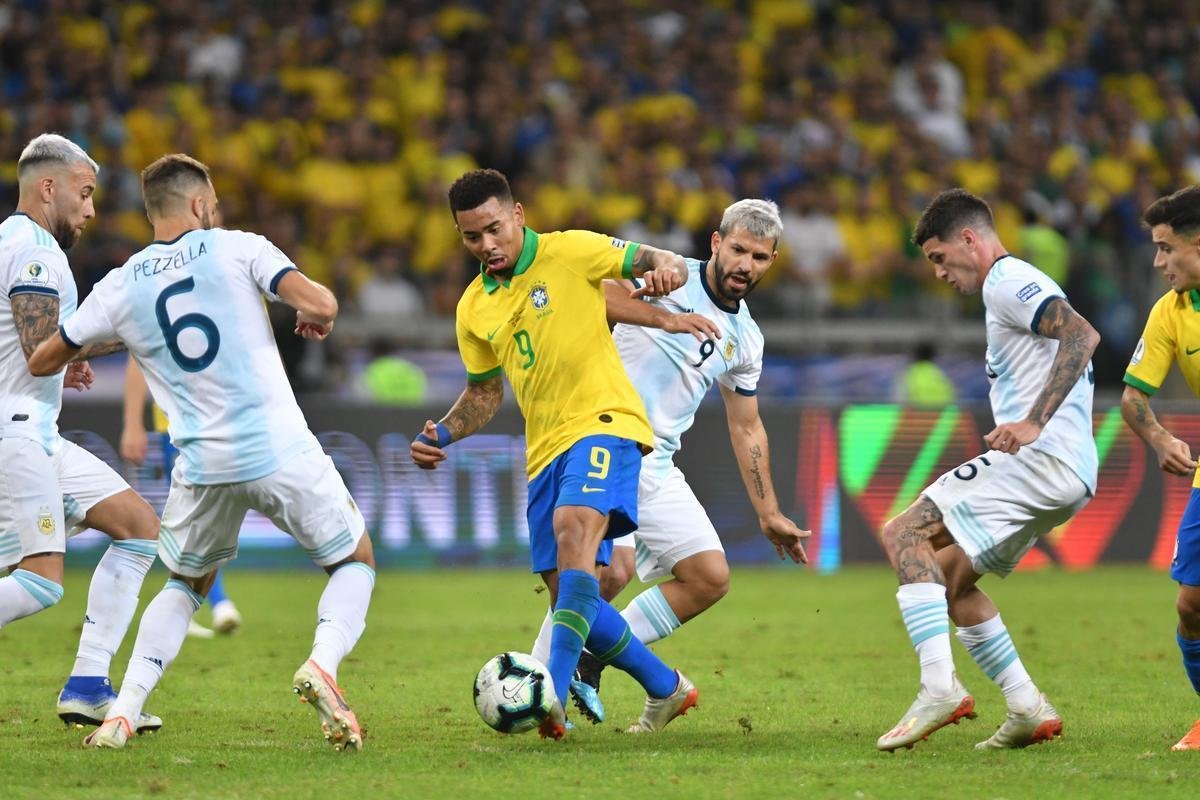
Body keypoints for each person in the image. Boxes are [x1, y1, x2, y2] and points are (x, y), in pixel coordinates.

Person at [30, 153, 375, 753]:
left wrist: (109, 344)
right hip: (277, 446)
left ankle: (124, 713)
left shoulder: (122, 282)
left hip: (201, 464)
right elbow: (320, 303)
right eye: (211, 203)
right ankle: (322, 662)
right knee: (354, 560)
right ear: (199, 203)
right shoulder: (240, 247)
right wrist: (312, 318)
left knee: (186, 583)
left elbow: (45, 357)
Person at [410, 168, 696, 739]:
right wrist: (442, 432)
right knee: (571, 592)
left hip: (605, 421)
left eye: (494, 229)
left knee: (574, 533)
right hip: (543, 452)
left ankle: (552, 694)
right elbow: (485, 392)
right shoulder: (473, 307)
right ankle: (667, 687)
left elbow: (653, 258)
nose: (486, 246)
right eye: (471, 237)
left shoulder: (572, 251)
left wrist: (667, 268)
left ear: (517, 215)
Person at [529, 199, 810, 721]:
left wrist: (769, 512)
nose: (746, 264)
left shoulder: (746, 339)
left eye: (761, 257)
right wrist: (653, 306)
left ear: (773, 261)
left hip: (656, 463)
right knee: (607, 575)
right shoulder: (669, 273)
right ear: (715, 243)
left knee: (709, 577)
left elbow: (746, 424)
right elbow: (589, 297)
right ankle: (538, 684)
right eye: (739, 249)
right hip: (604, 437)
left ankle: (591, 657)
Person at [876, 188, 1099, 752]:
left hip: (1040, 459)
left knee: (903, 533)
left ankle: (939, 689)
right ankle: (1027, 707)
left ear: (968, 239)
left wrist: (1033, 422)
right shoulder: (1007, 287)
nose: (938, 272)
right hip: (1065, 472)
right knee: (951, 582)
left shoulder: (1007, 281)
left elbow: (1082, 334)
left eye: (938, 257)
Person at [0, 133, 163, 734]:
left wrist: (68, 355)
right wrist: (136, 331)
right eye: (85, 193)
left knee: (139, 529)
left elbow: (37, 347)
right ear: (49, 187)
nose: (91, 210)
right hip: (14, 435)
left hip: (34, 431)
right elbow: (39, 348)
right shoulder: (37, 251)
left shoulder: (10, 243)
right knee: (39, 583)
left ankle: (90, 684)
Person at [1119, 184, 1200, 751]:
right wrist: (1158, 435)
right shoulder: (1170, 312)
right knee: (1191, 603)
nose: (1158, 261)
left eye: (1167, 248)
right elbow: (1133, 397)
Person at [120, 358, 241, 637]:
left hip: (223, 418)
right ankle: (214, 602)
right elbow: (137, 357)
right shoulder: (156, 313)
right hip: (177, 423)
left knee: (209, 512)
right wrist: (133, 424)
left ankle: (193, 604)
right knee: (197, 514)